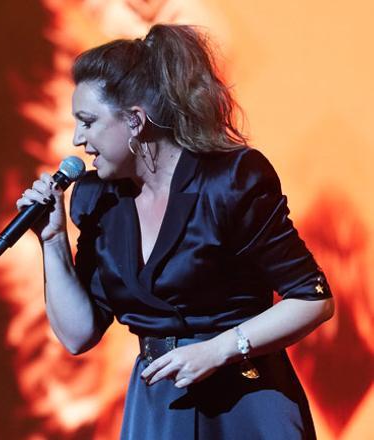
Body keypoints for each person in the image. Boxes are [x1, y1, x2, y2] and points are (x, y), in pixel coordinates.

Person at [17, 24, 334, 439]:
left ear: (134, 121)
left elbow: (312, 300)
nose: (79, 140)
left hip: (244, 400)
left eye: (88, 122)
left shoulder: (229, 181)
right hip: (160, 407)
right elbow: (78, 335)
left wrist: (219, 349)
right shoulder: (98, 200)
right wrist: (54, 240)